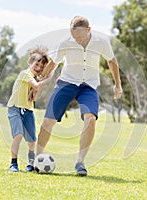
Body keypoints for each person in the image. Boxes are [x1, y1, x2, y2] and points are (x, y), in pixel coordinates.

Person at [36, 16, 123, 176]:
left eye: (80, 37)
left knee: (91, 119)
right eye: (74, 36)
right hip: (67, 83)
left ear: (89, 30)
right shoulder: (65, 42)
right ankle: (36, 159)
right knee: (49, 120)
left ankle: (80, 162)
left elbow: (112, 61)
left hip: (88, 86)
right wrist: (40, 80)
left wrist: (118, 85)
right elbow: (53, 64)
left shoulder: (101, 42)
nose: (76, 40)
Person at [7, 45, 50, 172]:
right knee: (18, 135)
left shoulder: (36, 79)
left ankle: (31, 163)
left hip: (28, 111)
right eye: (36, 65)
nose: (38, 68)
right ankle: (13, 163)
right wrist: (47, 79)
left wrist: (40, 83)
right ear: (29, 62)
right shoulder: (25, 74)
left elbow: (35, 97)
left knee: (31, 140)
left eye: (42, 67)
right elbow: (36, 86)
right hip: (15, 108)